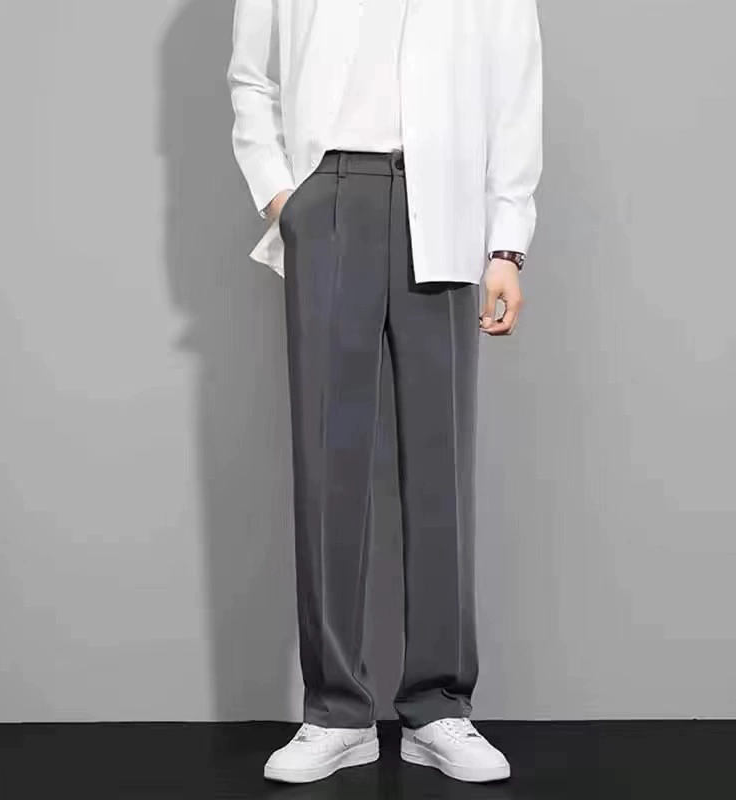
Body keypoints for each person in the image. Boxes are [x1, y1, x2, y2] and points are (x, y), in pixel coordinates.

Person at [226, 0, 542, 785]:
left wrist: (508, 243)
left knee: (442, 467)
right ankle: (336, 711)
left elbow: (515, 88)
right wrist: (283, 197)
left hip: (446, 198)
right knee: (328, 461)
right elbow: (250, 78)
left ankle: (439, 707)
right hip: (329, 194)